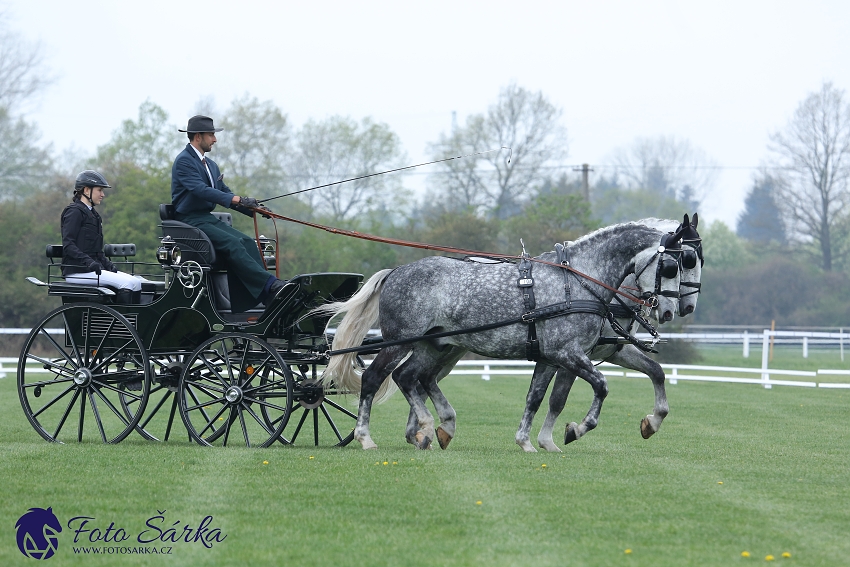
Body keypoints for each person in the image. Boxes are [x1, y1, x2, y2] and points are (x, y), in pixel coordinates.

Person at [171, 115, 285, 313]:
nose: (215, 139)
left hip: (206, 219)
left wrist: (254, 209)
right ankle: (270, 287)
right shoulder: (184, 161)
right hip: (189, 221)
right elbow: (201, 190)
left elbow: (224, 192)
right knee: (233, 244)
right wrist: (238, 199)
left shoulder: (211, 165)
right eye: (211, 135)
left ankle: (262, 299)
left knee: (248, 242)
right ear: (198, 136)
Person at [61, 170, 153, 299]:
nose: (103, 194)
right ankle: (123, 318)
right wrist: (89, 262)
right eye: (99, 190)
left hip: (92, 269)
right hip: (78, 271)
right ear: (87, 190)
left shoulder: (94, 215)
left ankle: (133, 318)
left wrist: (108, 265)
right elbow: (68, 245)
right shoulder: (74, 212)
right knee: (127, 283)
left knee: (136, 282)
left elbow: (96, 250)